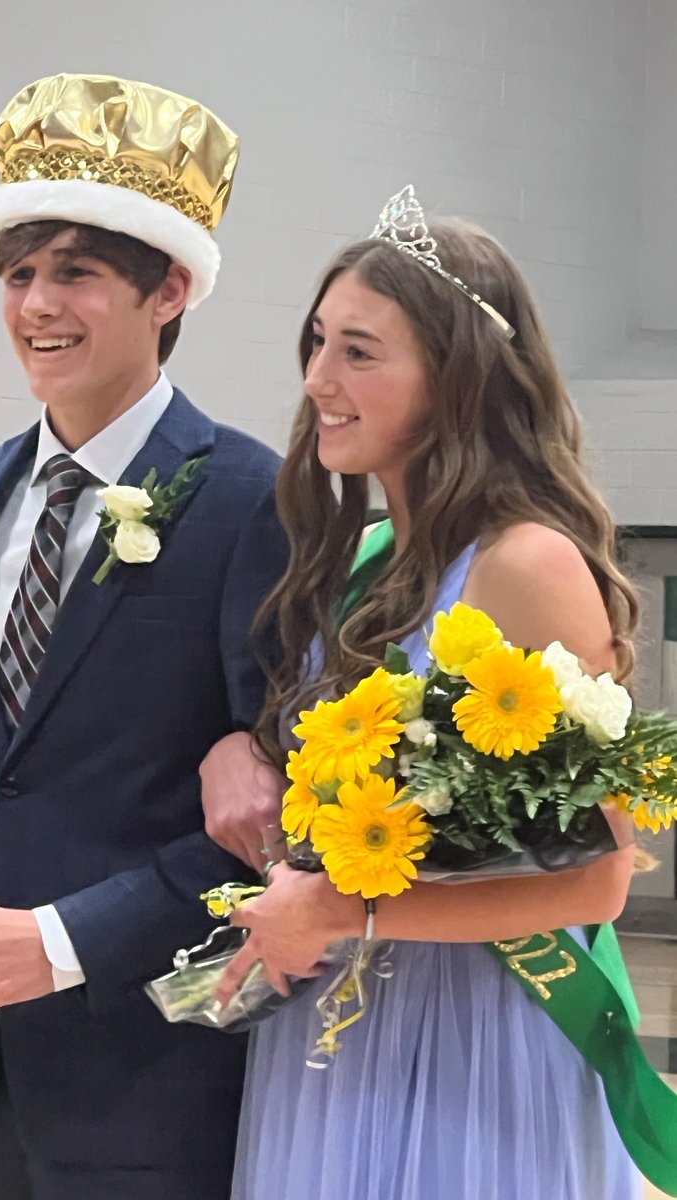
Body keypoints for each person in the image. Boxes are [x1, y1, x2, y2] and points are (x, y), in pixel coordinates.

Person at [0, 72, 287, 1200]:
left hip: (152, 1068)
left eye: (77, 272)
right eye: (20, 274)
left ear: (169, 289)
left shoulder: (251, 498)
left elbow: (276, 815)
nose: (39, 303)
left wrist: (71, 938)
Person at [204, 186, 643, 1199]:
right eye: (316, 342)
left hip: (471, 1040)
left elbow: (594, 880)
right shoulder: (360, 558)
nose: (318, 378)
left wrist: (339, 913)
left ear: (455, 380)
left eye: (359, 351)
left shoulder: (525, 562)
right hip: (339, 1027)